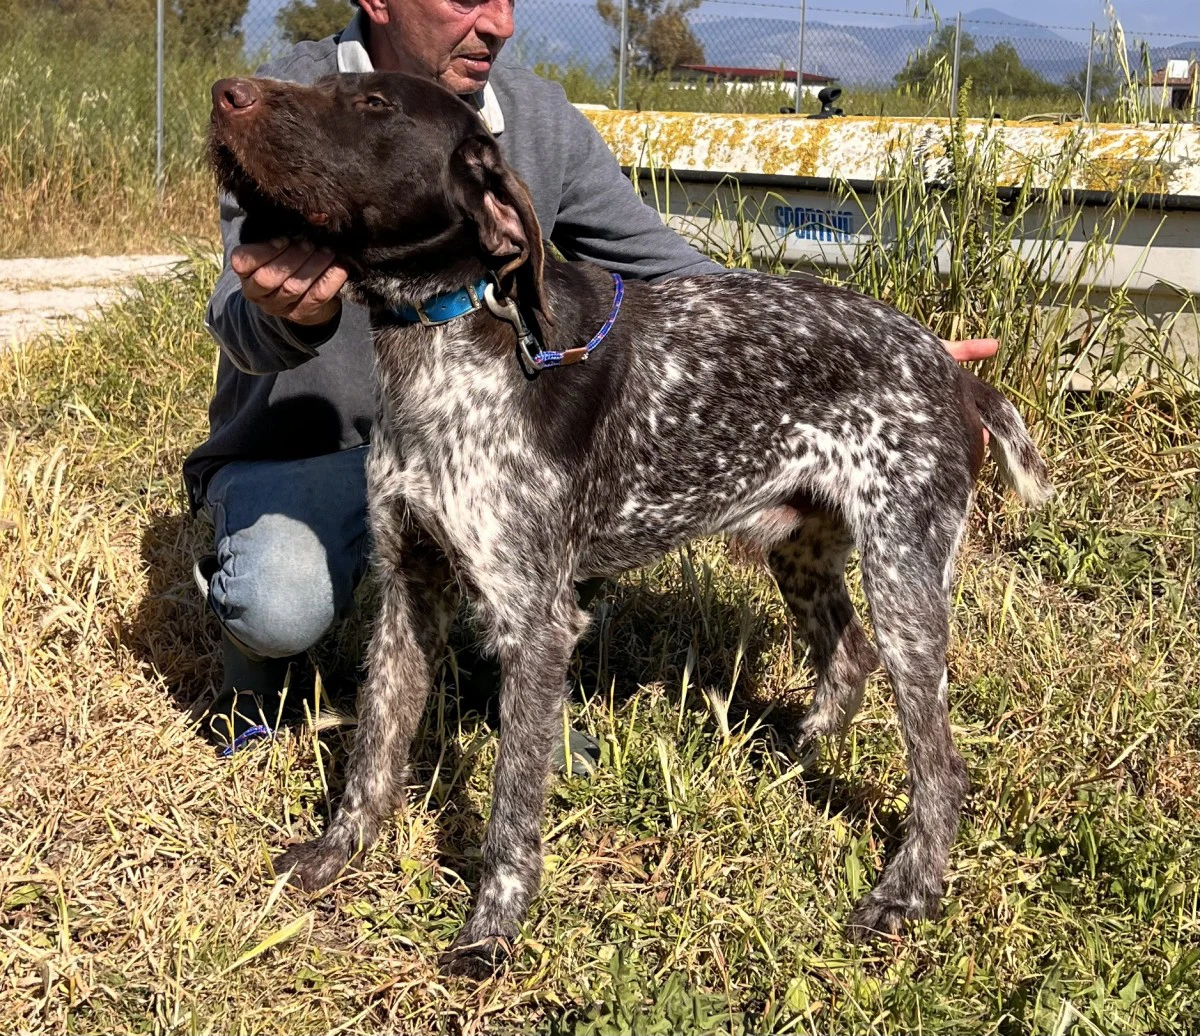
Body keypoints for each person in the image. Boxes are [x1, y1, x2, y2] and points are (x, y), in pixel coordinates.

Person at [185, 0, 998, 760]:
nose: (497, 23)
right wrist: (290, 313)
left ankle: (505, 673)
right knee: (279, 598)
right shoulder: (294, 112)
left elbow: (670, 270)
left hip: (480, 456)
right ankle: (256, 677)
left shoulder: (528, 122)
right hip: (310, 453)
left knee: (589, 481)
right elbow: (237, 317)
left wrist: (851, 358)